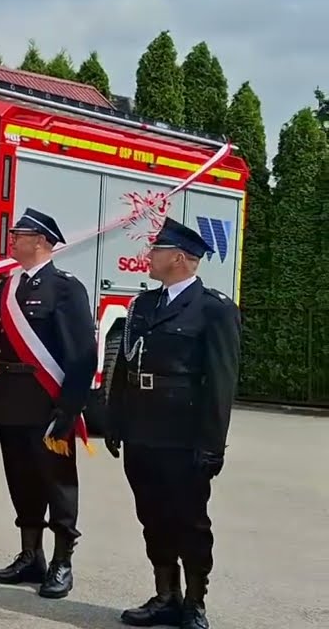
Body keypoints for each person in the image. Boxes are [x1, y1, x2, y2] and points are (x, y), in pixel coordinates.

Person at [106, 217, 240, 629]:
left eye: (156, 250)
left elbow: (221, 381)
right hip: (141, 431)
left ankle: (195, 602)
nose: (148, 256)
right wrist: (114, 420)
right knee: (153, 517)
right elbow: (124, 367)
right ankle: (165, 595)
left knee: (190, 521)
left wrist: (212, 444)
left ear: (179, 258)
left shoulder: (214, 309)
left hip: (183, 436)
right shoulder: (143, 305)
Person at [0, 207, 97, 599]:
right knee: (21, 480)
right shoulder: (6, 288)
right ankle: (31, 555)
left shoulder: (65, 288)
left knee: (58, 484)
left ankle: (62, 561)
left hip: (47, 402)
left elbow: (82, 356)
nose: (12, 239)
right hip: (10, 399)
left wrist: (69, 409)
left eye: (19, 234)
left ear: (42, 242)